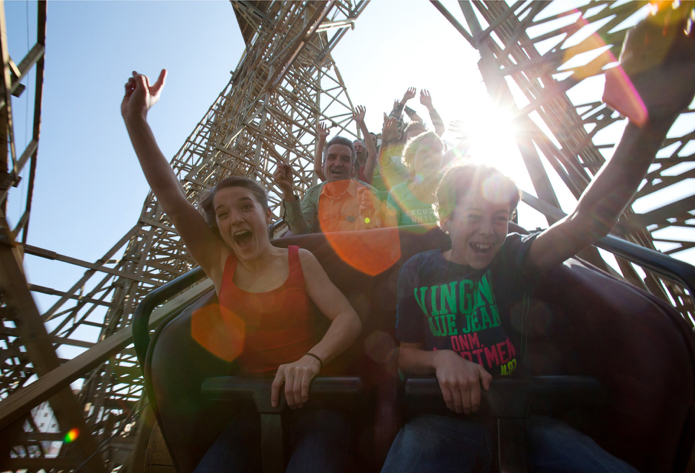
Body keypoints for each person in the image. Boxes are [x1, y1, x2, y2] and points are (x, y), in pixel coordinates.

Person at [381, 9, 695, 473]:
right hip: (441, 422)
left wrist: (646, 126)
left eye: (501, 218)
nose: (489, 230)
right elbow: (401, 352)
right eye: (474, 217)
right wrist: (440, 358)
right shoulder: (419, 270)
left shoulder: (514, 257)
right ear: (445, 219)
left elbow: (584, 222)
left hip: (528, 418)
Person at [121, 69, 362, 473]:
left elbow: (347, 318)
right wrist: (136, 121)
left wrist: (311, 359)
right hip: (252, 406)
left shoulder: (299, 259)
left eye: (246, 207)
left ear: (267, 215)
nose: (235, 219)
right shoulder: (221, 265)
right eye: (223, 213)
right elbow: (171, 195)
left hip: (317, 401)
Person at [275, 135, 381, 235]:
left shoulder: (367, 192)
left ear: (352, 167)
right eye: (332, 157)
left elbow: (373, 235)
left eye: (345, 159)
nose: (338, 163)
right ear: (324, 164)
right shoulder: (313, 194)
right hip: (319, 253)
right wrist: (288, 191)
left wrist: (368, 216)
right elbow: (301, 231)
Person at [384, 131, 443, 227]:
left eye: (436, 151)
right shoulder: (397, 193)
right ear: (411, 158)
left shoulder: (453, 186)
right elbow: (391, 237)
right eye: (424, 151)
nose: (430, 155)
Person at [313, 106, 378, 184]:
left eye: (360, 146)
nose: (338, 163)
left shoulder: (363, 178)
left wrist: (361, 123)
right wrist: (321, 139)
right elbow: (317, 170)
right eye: (355, 147)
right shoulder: (332, 180)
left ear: (352, 167)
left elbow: (372, 154)